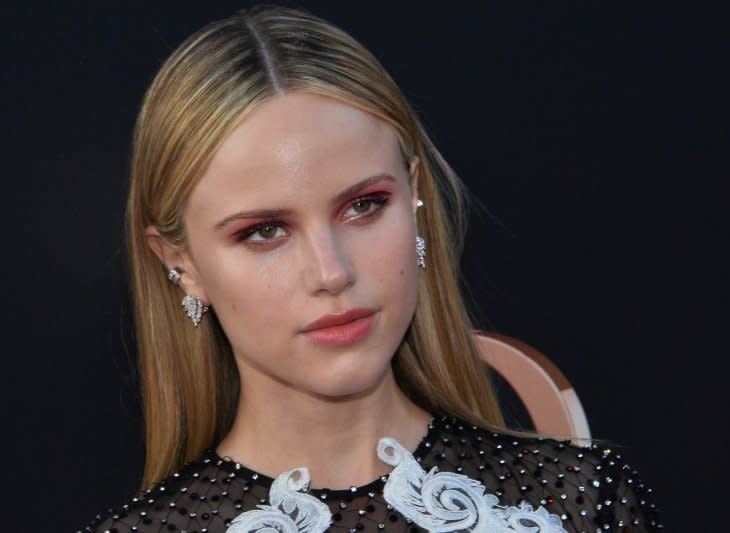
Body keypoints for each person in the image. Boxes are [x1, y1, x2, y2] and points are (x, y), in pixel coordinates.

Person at [82, 5, 662, 533]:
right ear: (180, 264)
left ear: (414, 198)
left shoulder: (583, 502)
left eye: (363, 206)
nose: (331, 272)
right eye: (264, 231)